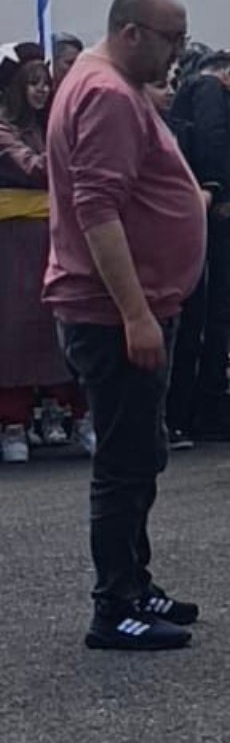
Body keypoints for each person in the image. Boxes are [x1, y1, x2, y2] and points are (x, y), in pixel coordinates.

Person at [45, 0, 206, 650]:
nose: (179, 52)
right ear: (132, 31)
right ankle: (116, 605)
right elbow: (98, 210)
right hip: (112, 312)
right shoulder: (108, 94)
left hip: (119, 305)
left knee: (139, 452)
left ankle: (135, 583)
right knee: (127, 460)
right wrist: (136, 315)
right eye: (172, 38)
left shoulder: (98, 79)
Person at [0, 44, 91, 462]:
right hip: (14, 239)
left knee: (62, 324)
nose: (41, 89)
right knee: (17, 332)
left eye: (45, 81)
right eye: (32, 82)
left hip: (53, 233)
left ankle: (69, 411)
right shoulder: (4, 129)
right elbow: (32, 167)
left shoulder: (50, 124)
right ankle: (13, 421)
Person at [166, 51, 230, 443]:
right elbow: (216, 138)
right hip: (214, 218)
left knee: (202, 316)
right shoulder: (211, 89)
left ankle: (194, 405)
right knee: (214, 314)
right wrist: (219, 188)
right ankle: (209, 403)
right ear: (228, 74)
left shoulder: (189, 94)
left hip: (199, 215)